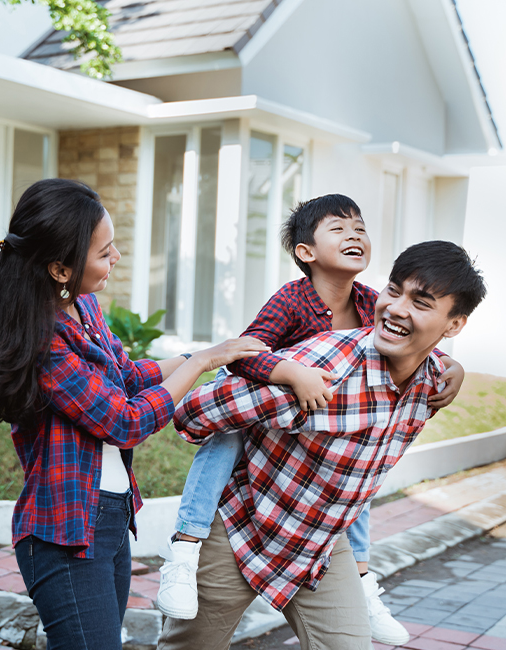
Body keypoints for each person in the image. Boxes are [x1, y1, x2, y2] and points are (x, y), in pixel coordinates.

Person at [0, 178, 269, 650]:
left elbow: (126, 375)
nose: (117, 258)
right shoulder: (42, 341)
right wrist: (203, 364)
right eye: (105, 253)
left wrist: (206, 353)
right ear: (60, 268)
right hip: (64, 534)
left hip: (110, 518)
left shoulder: (83, 306)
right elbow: (123, 421)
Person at [157, 195, 464, 646]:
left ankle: (361, 578)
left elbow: (414, 345)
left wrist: (454, 367)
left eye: (359, 228)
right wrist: (291, 375)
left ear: (453, 325)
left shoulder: (393, 336)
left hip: (319, 534)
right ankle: (186, 546)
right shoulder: (301, 313)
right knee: (223, 442)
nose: (397, 308)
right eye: (394, 292)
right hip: (247, 512)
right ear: (306, 252)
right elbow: (244, 358)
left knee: (359, 487)